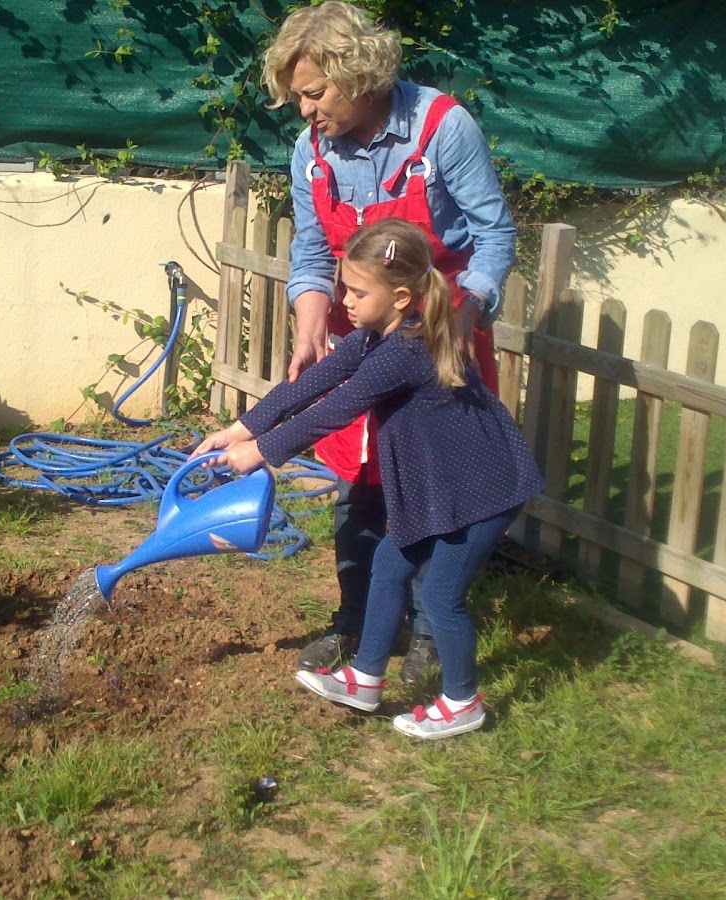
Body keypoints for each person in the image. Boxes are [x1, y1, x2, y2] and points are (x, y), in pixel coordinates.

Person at [194, 218, 542, 739]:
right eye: (344, 288)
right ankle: (365, 678)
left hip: (484, 490)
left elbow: (336, 408)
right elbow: (311, 383)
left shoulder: (406, 350)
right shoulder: (375, 339)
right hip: (445, 488)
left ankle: (462, 701)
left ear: (400, 297)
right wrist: (239, 429)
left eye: (358, 292)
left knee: (441, 595)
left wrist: (260, 453)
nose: (345, 301)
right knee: (388, 564)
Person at [260, 1, 518, 681]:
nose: (305, 110)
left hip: (439, 335)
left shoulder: (443, 128)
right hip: (361, 340)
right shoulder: (311, 152)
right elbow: (311, 251)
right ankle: (356, 621)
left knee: (440, 487)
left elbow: (494, 234)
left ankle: (432, 630)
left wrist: (462, 317)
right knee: (360, 486)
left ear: (358, 74)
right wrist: (310, 321)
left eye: (315, 93)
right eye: (298, 97)